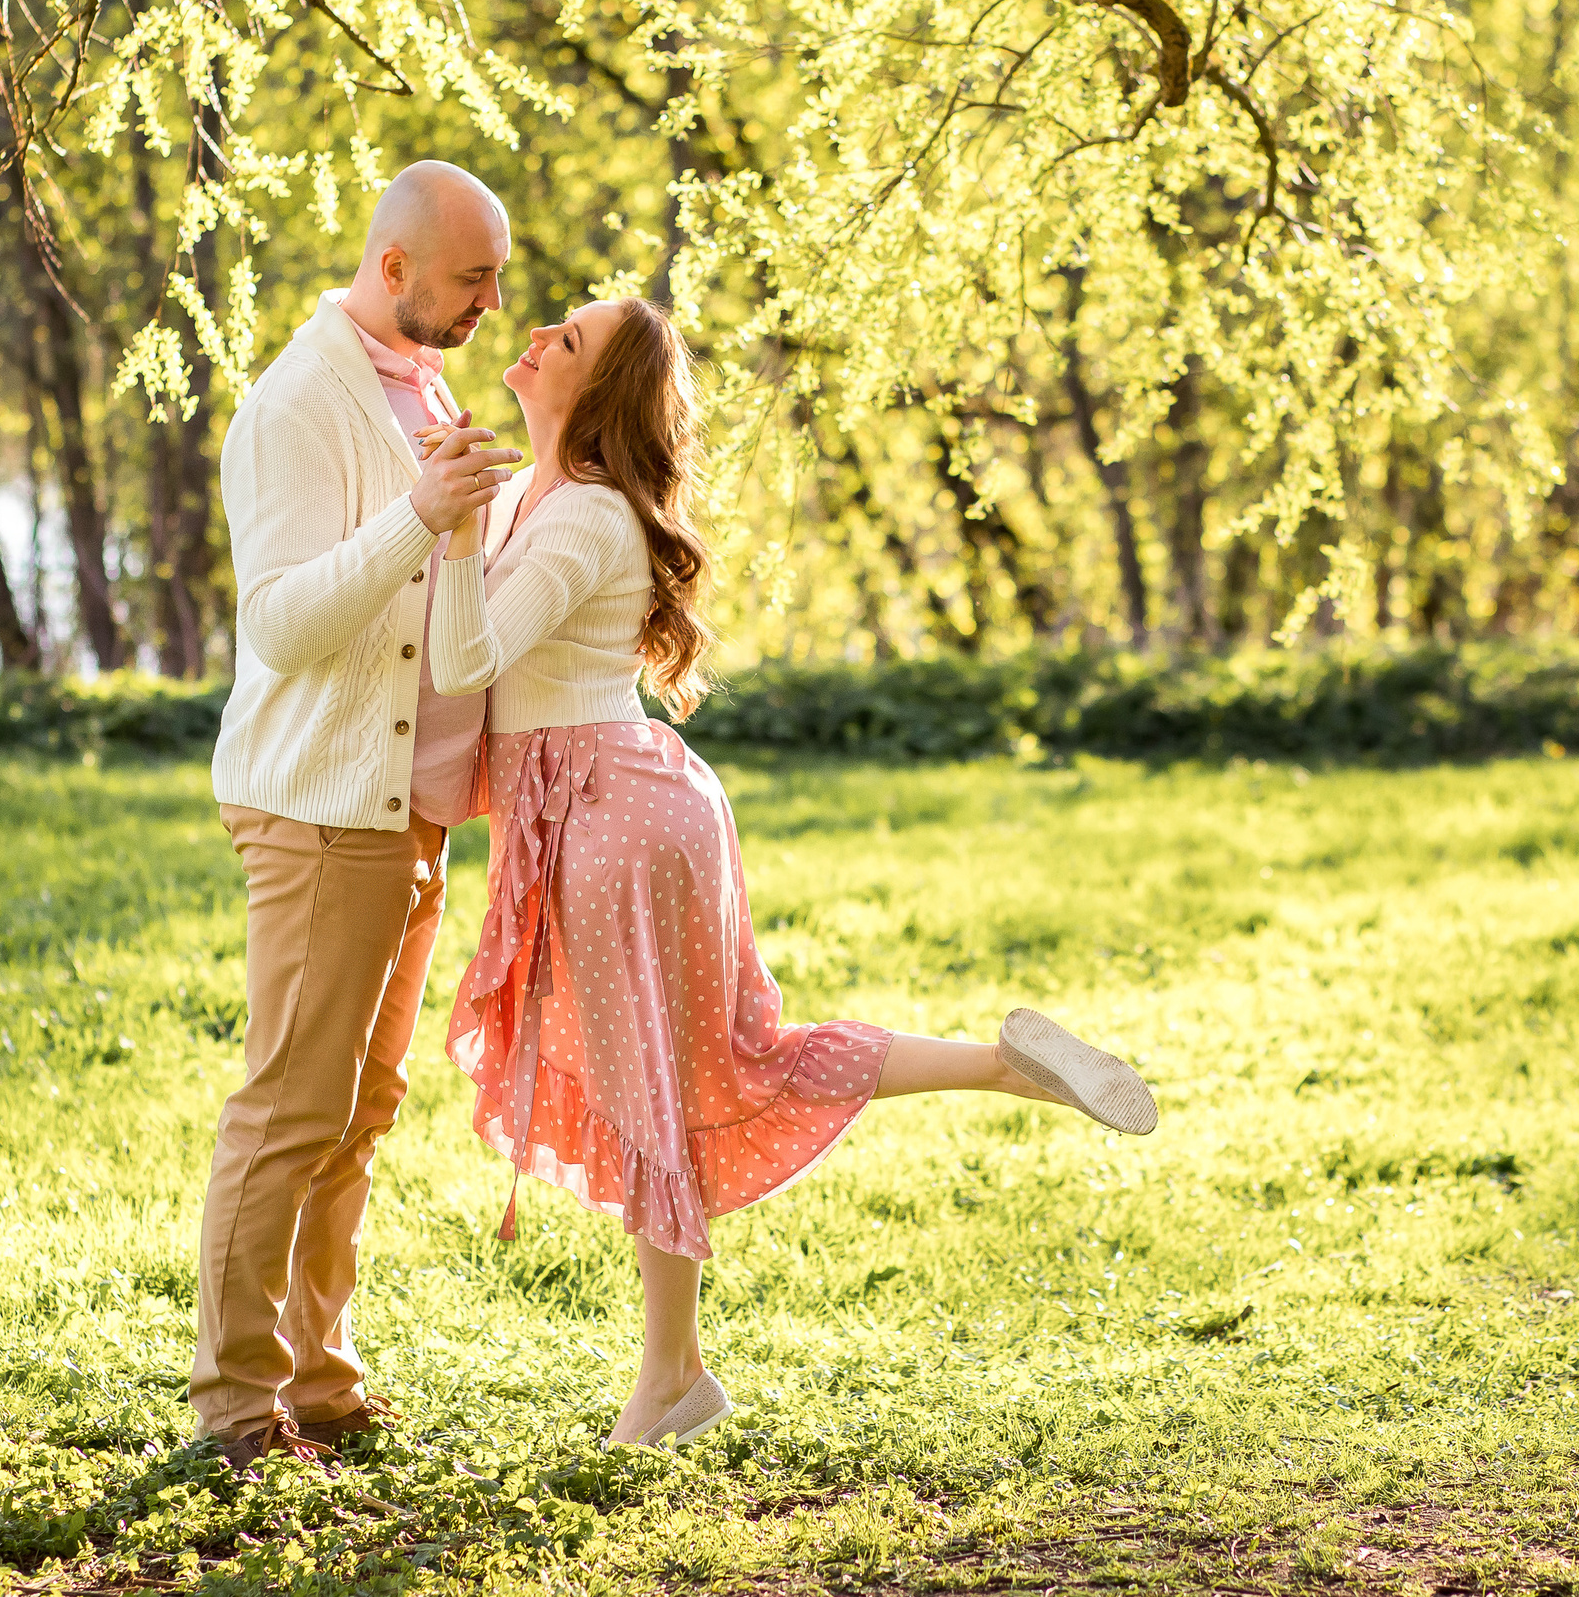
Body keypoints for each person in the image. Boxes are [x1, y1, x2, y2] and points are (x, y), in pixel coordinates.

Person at [420, 297, 1159, 1448]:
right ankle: (1002, 1066)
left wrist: (452, 531)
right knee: (706, 1065)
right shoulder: (538, 495)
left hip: (610, 817)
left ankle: (672, 1380)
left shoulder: (584, 522)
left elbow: (467, 652)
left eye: (566, 338)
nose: (537, 334)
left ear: (596, 393)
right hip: (611, 806)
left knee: (659, 1085)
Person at [194, 162, 524, 1471]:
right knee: (292, 1106)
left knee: (360, 1108)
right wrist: (421, 515)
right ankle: (235, 1403)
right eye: (470, 278)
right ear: (392, 269)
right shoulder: (298, 403)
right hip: (324, 810)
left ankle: (321, 1379)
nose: (492, 301)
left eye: (496, 275)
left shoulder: (419, 378)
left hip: (409, 821)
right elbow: (280, 622)